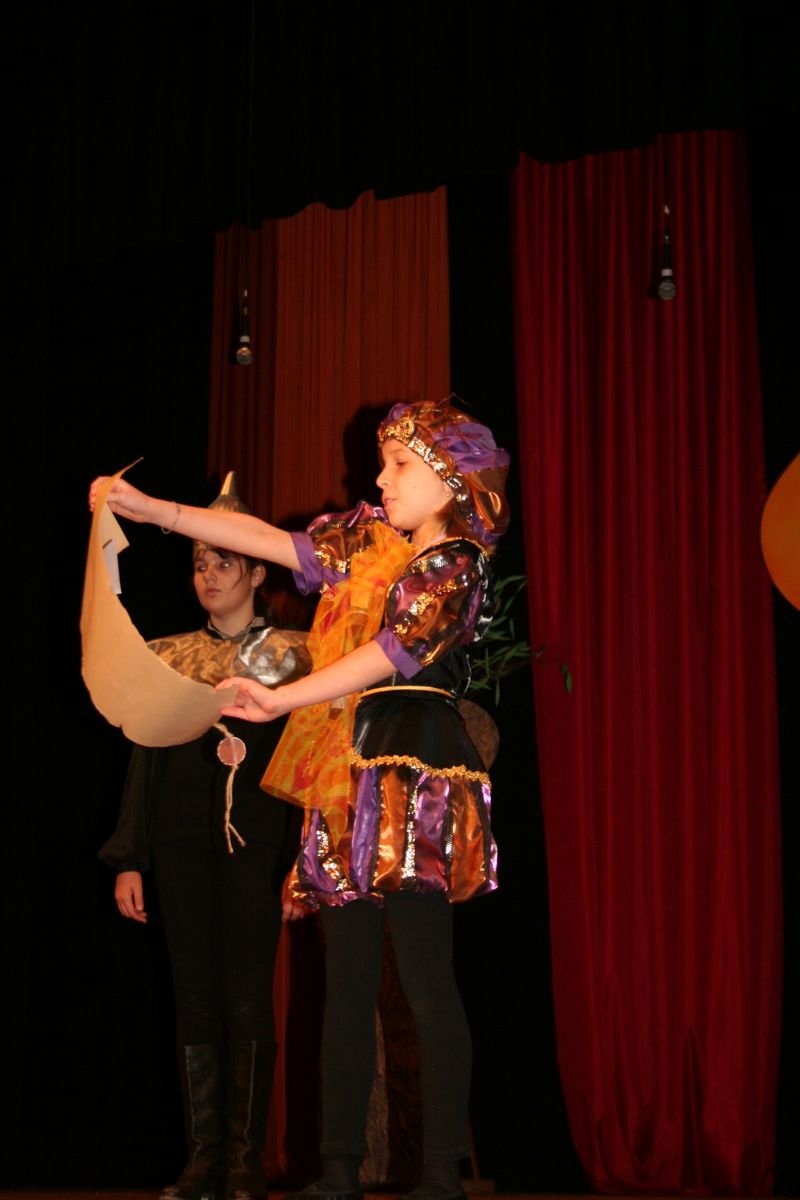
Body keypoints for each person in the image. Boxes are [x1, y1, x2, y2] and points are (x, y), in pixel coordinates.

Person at [90, 397, 510, 1200]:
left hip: (414, 766)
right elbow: (273, 543)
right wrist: (155, 512)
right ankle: (338, 1167)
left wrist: (284, 699)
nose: (380, 479)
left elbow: (394, 651)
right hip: (346, 766)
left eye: (399, 465)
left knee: (426, 976)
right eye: (383, 465)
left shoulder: (457, 563)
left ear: (452, 479)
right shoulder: (366, 541)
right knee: (345, 977)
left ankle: (439, 1175)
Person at [98, 473, 311, 1200]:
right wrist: (130, 857)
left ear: (256, 572)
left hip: (260, 841)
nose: (209, 574)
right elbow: (146, 759)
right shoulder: (168, 655)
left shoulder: (298, 657)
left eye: (224, 561)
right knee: (193, 994)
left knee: (247, 994)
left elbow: (310, 761)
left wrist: (305, 861)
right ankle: (202, 1159)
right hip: (181, 840)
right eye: (199, 563)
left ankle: (244, 1160)